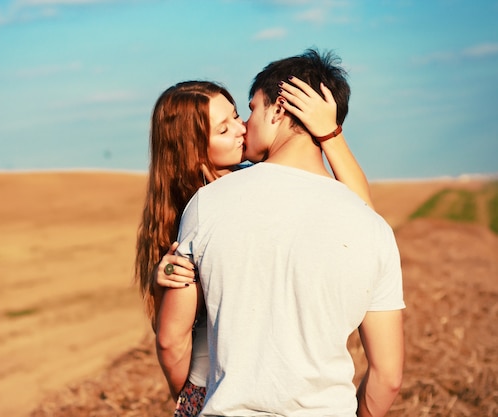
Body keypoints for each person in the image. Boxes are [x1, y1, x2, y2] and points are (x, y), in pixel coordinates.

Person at [155, 49, 405, 417]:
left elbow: (169, 341)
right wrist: (330, 134)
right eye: (225, 128)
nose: (243, 127)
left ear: (277, 110)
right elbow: (389, 377)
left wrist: (197, 402)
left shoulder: (206, 207)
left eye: (247, 110)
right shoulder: (372, 228)